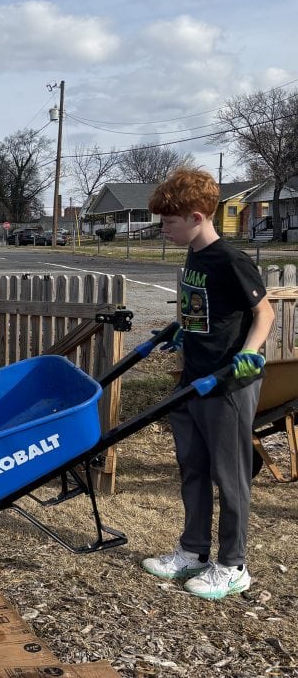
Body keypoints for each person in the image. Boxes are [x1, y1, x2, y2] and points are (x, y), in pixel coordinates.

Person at [141, 168, 274, 600]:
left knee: (229, 476)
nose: (164, 229)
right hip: (193, 379)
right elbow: (205, 308)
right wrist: (186, 330)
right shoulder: (193, 256)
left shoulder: (231, 260)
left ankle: (233, 565)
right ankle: (193, 552)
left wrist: (250, 353)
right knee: (192, 467)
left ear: (197, 217)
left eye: (170, 222)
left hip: (227, 383)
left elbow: (264, 314)